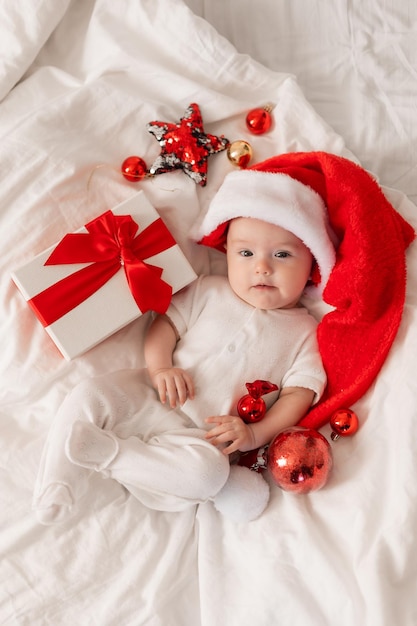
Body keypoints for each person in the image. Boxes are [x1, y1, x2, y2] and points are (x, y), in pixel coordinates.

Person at [33, 160, 337, 525]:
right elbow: (166, 326)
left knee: (208, 474)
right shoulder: (210, 290)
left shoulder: (305, 332)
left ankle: (112, 456)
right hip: (149, 392)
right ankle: (56, 483)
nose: (262, 267)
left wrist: (254, 433)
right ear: (227, 254)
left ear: (312, 265)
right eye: (246, 253)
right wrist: (161, 366)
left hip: (200, 437)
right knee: (88, 394)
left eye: (282, 255)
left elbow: (297, 396)